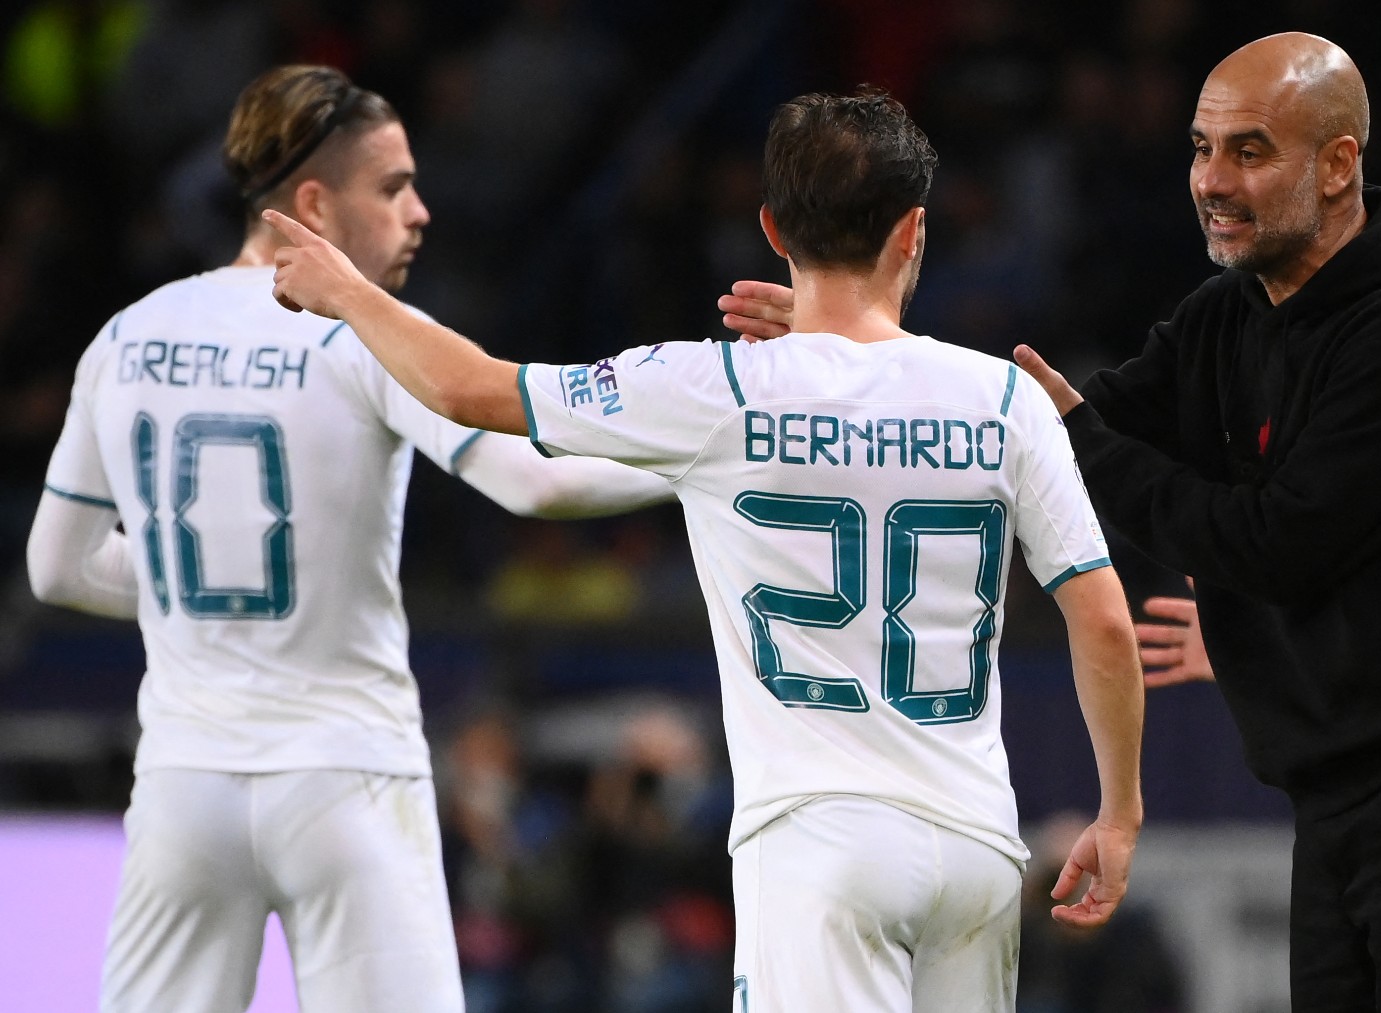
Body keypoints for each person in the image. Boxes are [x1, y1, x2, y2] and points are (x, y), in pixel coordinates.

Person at [722, 31, 1381, 1012]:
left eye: (1248, 151)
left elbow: (1269, 543)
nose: (1211, 179)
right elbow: (1038, 429)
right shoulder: (1231, 315)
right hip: (1346, 789)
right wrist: (863, 345)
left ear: (1339, 165)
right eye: (1201, 149)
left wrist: (1079, 435)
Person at [263, 88, 1146, 1013]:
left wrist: (345, 292)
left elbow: (471, 390)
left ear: (770, 227)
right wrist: (1119, 812)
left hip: (818, 846)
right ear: (913, 230)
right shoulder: (1006, 400)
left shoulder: (712, 388)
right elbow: (1105, 624)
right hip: (975, 844)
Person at [25, 65, 673, 1012]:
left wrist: (193, 588)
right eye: (394, 185)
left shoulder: (127, 335)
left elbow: (58, 565)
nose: (419, 212)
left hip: (183, 788)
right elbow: (540, 480)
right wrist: (708, 450)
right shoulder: (366, 333)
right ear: (316, 204)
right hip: (346, 780)